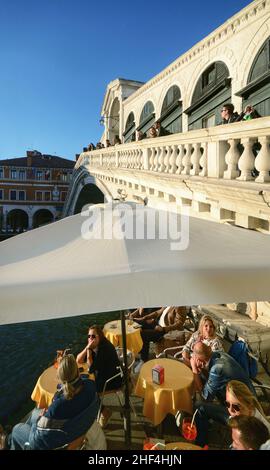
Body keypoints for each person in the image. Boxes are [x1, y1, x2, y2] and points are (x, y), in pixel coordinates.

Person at [9, 354, 99, 450]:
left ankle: (9, 442)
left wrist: (38, 421)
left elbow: (35, 441)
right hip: (78, 429)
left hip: (58, 442)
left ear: (59, 377)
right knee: (35, 413)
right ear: (77, 371)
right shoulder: (90, 385)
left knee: (17, 429)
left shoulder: (58, 406)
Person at [194, 378, 270, 447]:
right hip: (238, 418)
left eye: (236, 407)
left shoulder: (256, 435)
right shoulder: (242, 413)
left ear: (249, 407)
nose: (230, 410)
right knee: (200, 407)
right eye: (227, 404)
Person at [76, 325, 122, 427]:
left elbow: (91, 368)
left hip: (112, 381)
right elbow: (78, 360)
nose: (90, 339)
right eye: (89, 336)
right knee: (81, 385)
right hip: (102, 375)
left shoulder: (104, 349)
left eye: (93, 336)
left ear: (99, 337)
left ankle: (104, 412)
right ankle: (102, 410)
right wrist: (87, 347)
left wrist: (88, 350)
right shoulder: (94, 345)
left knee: (85, 391)